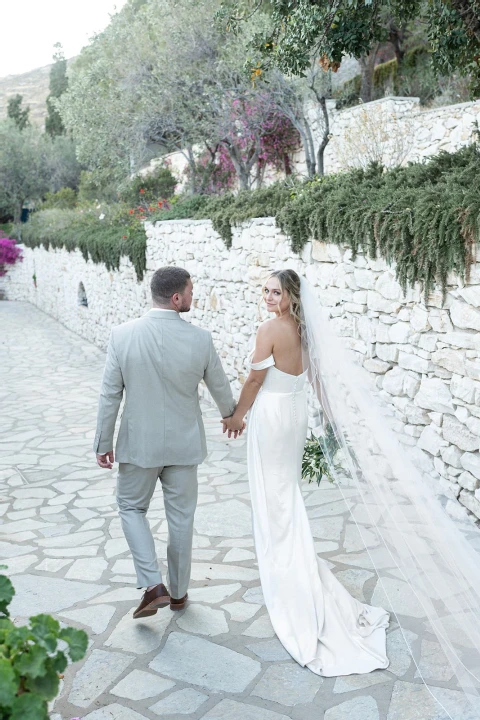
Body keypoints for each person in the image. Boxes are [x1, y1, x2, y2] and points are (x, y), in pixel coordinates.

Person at [222, 269, 390, 675]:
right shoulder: (304, 328)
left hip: (274, 416)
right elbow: (315, 377)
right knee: (285, 491)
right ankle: (290, 558)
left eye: (275, 291)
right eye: (264, 290)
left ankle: (288, 570)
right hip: (295, 416)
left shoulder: (270, 329)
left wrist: (236, 416)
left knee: (274, 494)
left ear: (290, 294)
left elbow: (255, 379)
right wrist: (330, 421)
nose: (267, 296)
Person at [94, 266, 242, 619]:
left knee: (131, 508)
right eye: (190, 291)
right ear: (176, 298)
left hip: (139, 446)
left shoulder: (122, 335)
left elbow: (109, 395)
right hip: (183, 445)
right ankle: (177, 593)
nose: (193, 297)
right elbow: (220, 386)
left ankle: (152, 584)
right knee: (181, 519)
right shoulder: (200, 339)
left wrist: (103, 442)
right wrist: (231, 415)